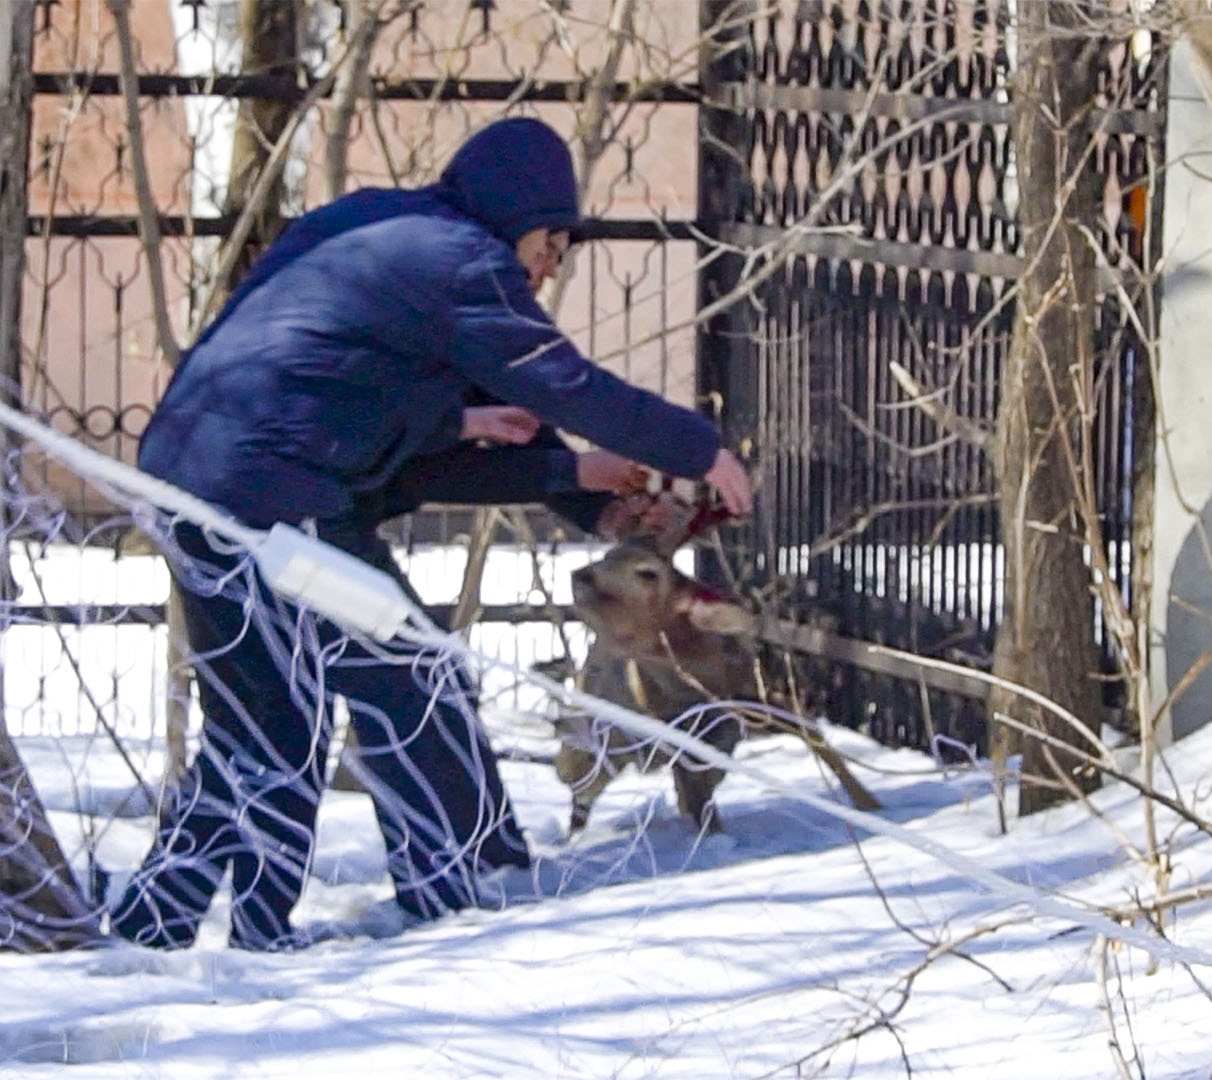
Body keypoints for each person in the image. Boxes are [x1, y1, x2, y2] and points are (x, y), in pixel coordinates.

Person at [114, 117, 753, 951]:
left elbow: (416, 459)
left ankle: (158, 927)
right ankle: (435, 901)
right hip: (273, 498)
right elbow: (567, 391)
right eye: (553, 236)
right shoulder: (465, 264)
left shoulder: (381, 234)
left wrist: (584, 493)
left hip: (206, 477)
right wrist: (699, 449)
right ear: (516, 213)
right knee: (381, 683)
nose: (554, 260)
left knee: (280, 713)